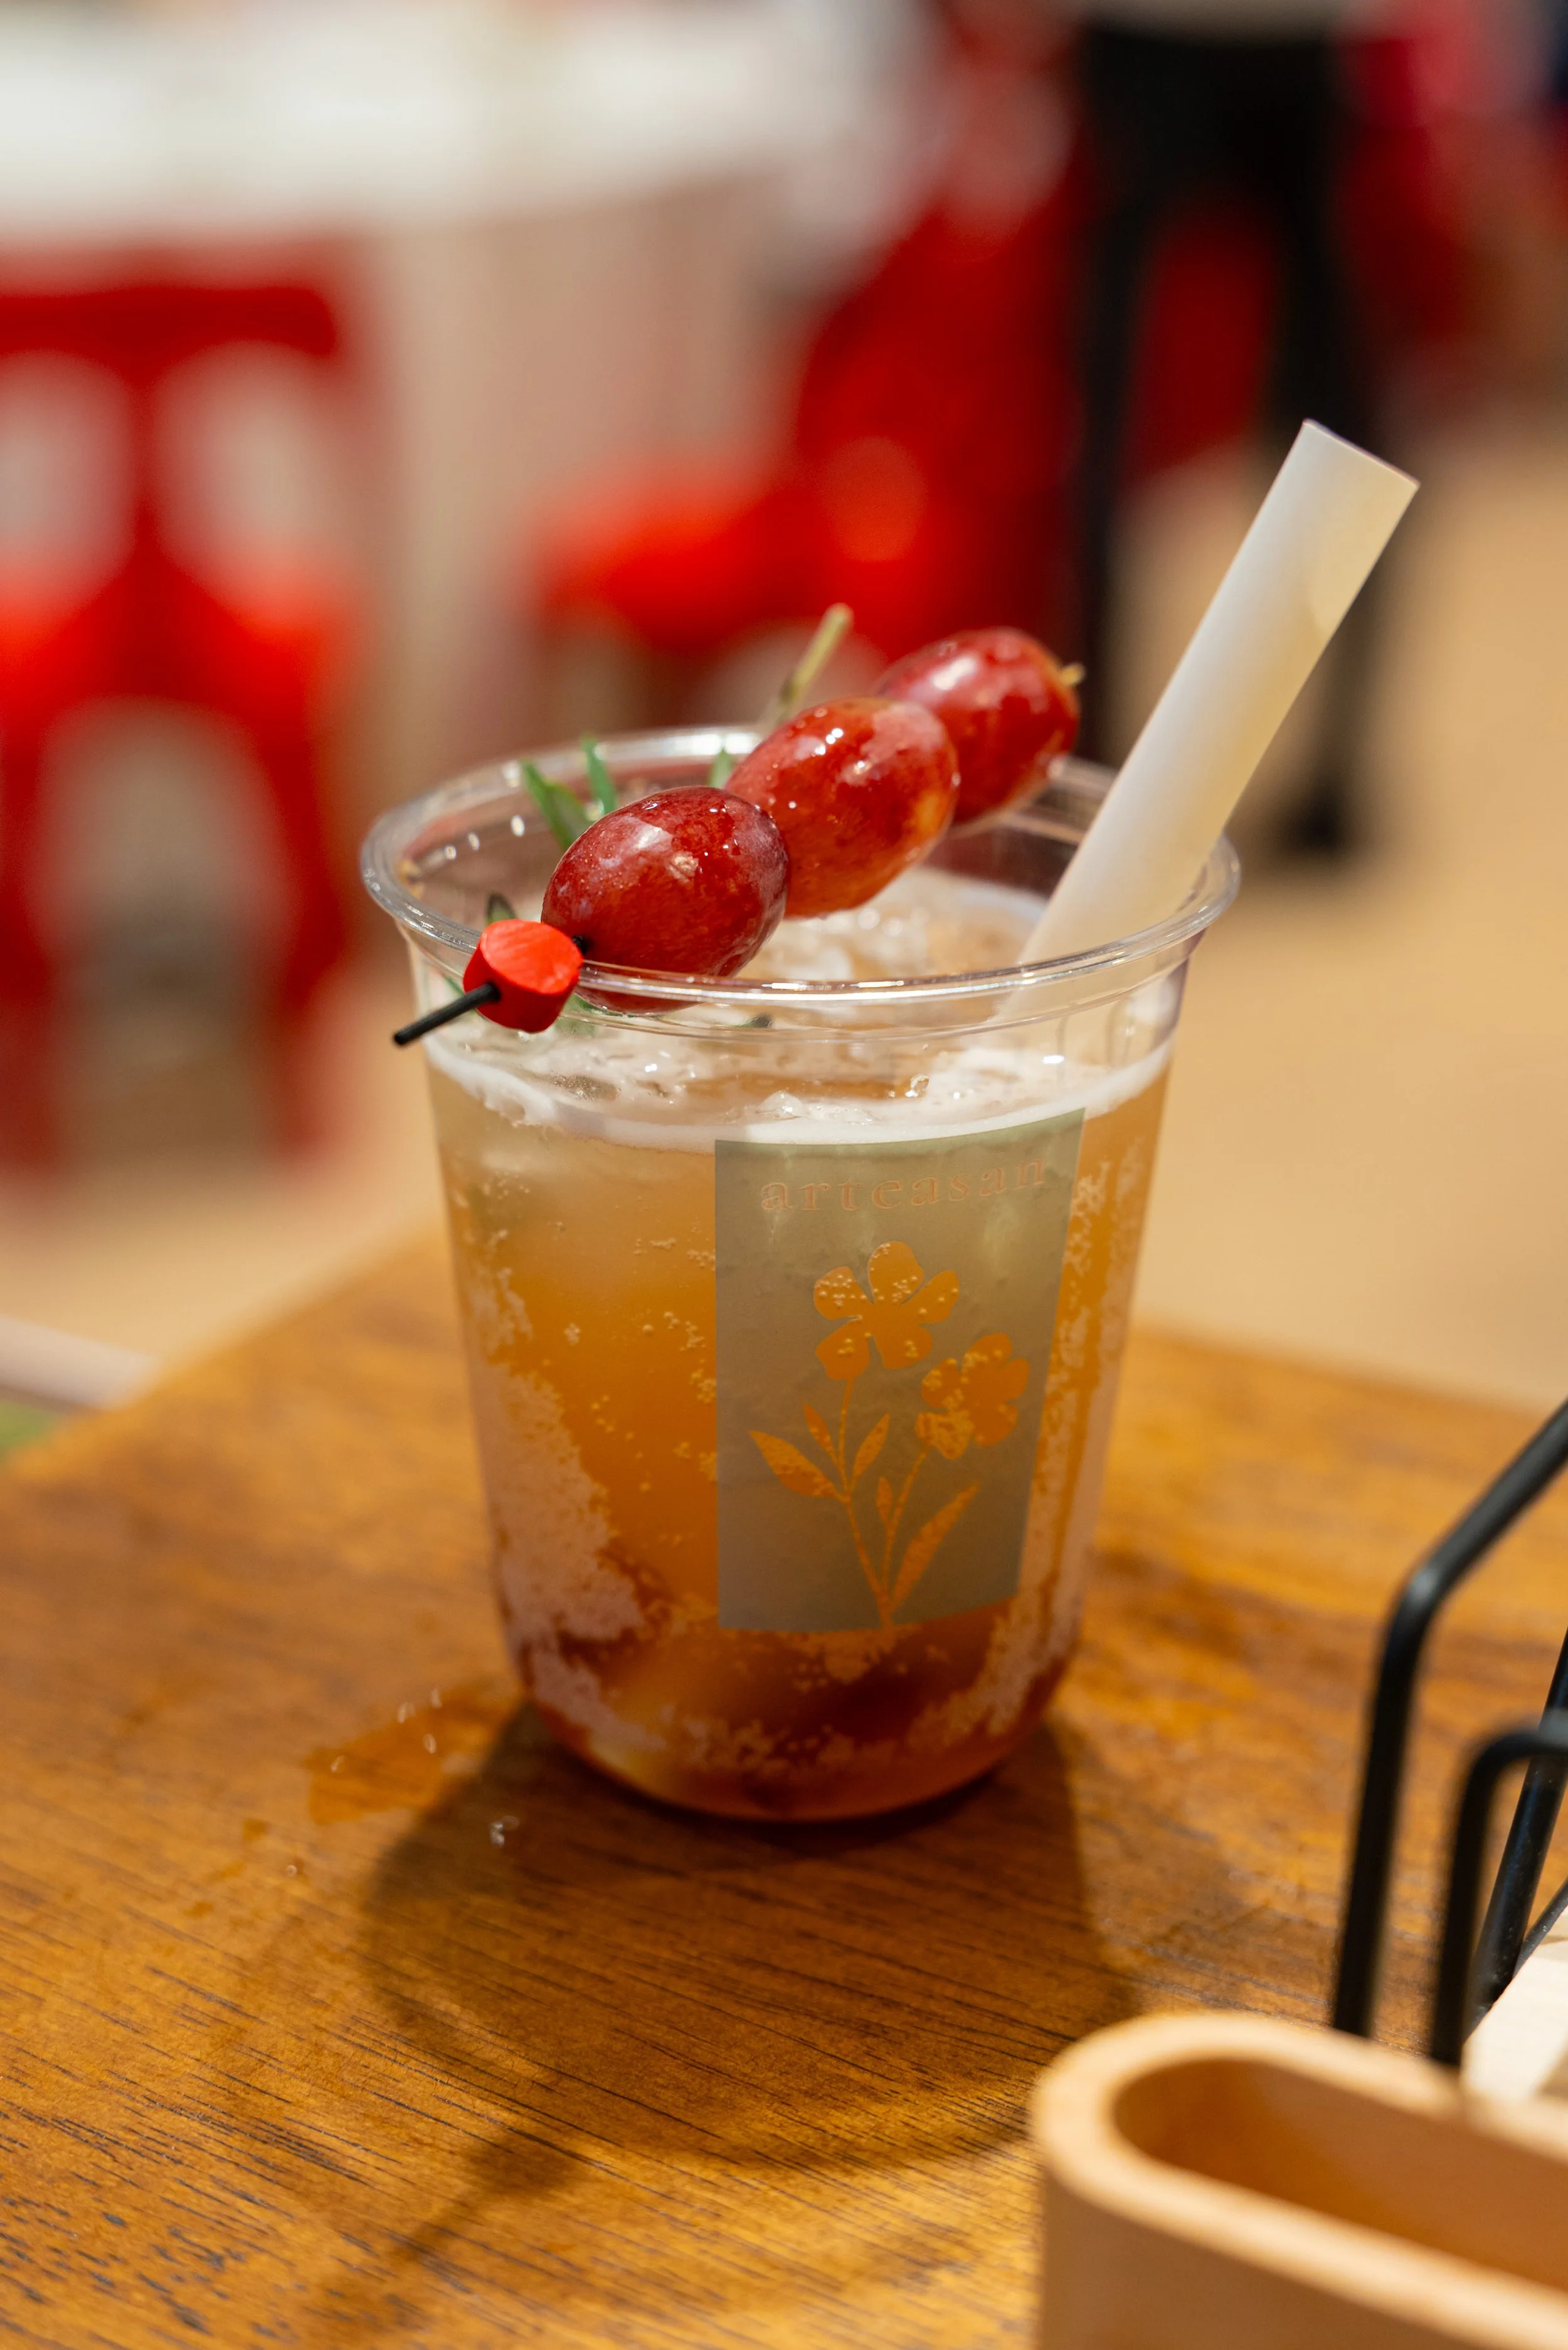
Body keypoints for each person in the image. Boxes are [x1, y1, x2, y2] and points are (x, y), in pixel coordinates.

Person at [1068, 0, 1382, 854]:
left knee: (1108, 407)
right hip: (1268, 33)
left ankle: (1096, 771)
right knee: (1337, 408)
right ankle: (1334, 786)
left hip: (1192, 35)